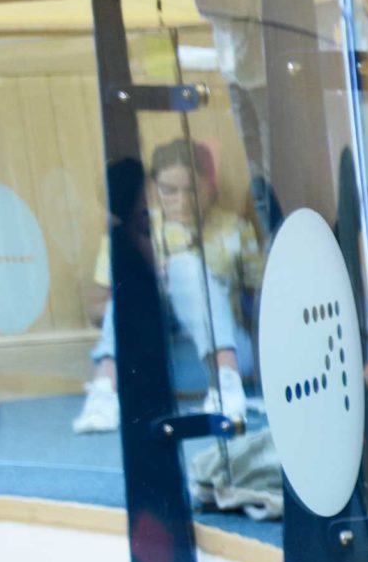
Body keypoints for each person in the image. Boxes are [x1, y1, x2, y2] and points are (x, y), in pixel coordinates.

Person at [73, 138, 261, 433]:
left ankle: (225, 381)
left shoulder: (234, 228)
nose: (182, 201)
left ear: (209, 187)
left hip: (228, 357)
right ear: (153, 191)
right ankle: (105, 389)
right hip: (160, 359)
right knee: (135, 283)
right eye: (169, 191)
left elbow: (258, 306)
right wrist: (148, 283)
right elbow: (96, 311)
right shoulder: (135, 230)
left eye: (192, 189)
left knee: (186, 266)